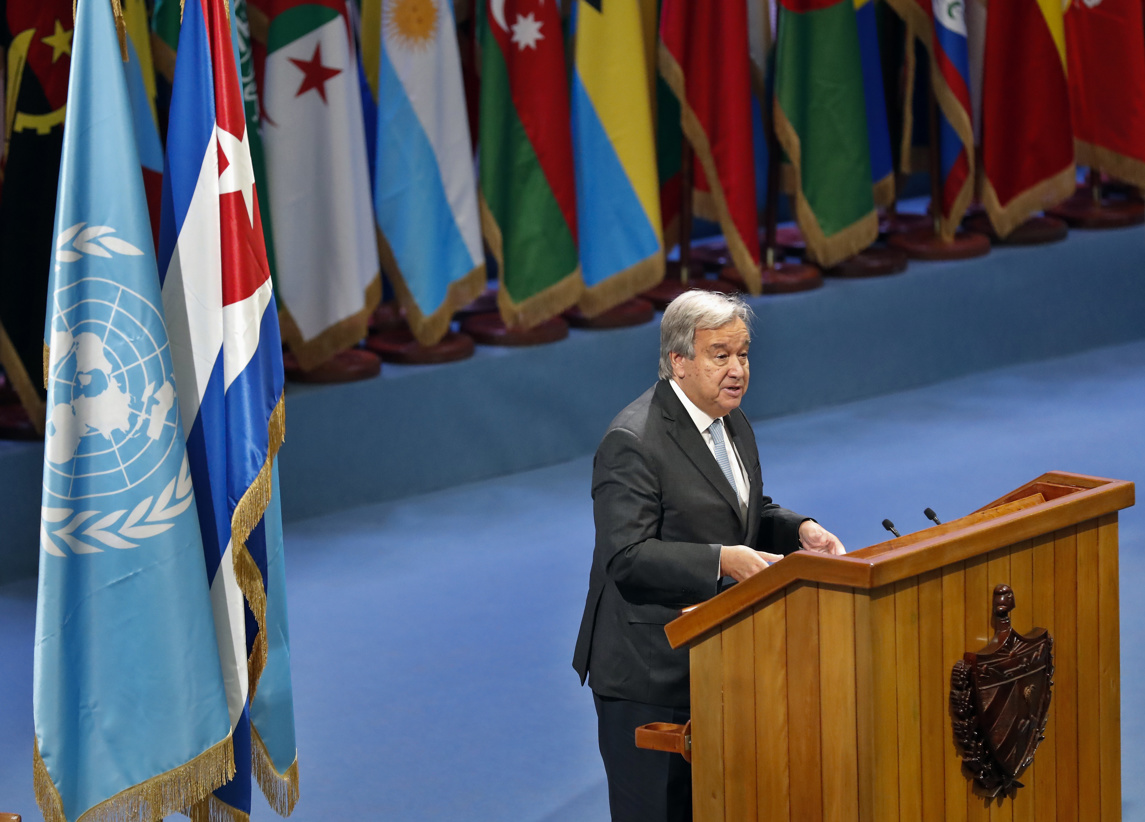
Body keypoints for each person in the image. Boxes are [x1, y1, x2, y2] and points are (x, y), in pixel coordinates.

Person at [572, 289, 845, 822]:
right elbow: (626, 556)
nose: (737, 369)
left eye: (743, 354)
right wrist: (723, 560)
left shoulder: (730, 420)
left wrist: (799, 531)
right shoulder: (632, 441)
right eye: (720, 355)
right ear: (679, 360)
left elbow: (743, 509)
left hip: (720, 662)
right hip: (650, 674)